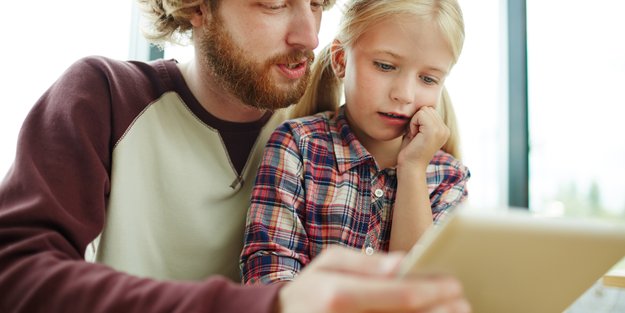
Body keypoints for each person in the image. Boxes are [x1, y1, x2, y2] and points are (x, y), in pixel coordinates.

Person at [0, 0, 470, 312]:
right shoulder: (103, 98)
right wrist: (274, 305)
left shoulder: (337, 129)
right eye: (274, 2)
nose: (308, 35)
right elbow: (14, 274)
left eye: (317, 3)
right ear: (198, 6)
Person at [240, 0, 470, 285]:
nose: (405, 94)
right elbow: (268, 277)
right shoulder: (297, 147)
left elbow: (420, 290)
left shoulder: (448, 178)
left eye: (428, 78)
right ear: (341, 60)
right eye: (385, 66)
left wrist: (412, 169)